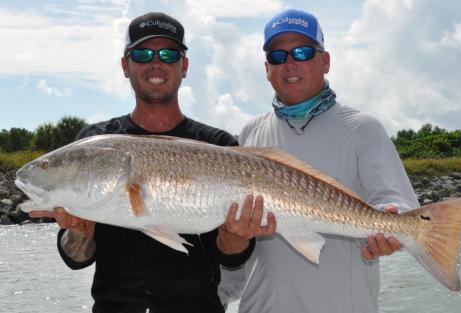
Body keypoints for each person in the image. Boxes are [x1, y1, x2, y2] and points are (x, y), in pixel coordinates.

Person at [30, 12, 274, 313]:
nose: (155, 63)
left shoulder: (219, 146)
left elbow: (232, 257)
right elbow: (76, 258)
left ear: (184, 66)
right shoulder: (94, 142)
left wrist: (235, 235)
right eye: (143, 53)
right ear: (125, 66)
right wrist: (79, 232)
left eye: (169, 54)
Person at [219, 8, 420, 313]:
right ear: (266, 69)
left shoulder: (362, 129)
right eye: (278, 56)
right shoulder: (250, 132)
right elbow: (238, 251)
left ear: (325, 61)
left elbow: (401, 207)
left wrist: (393, 233)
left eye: (302, 52)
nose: (289, 64)